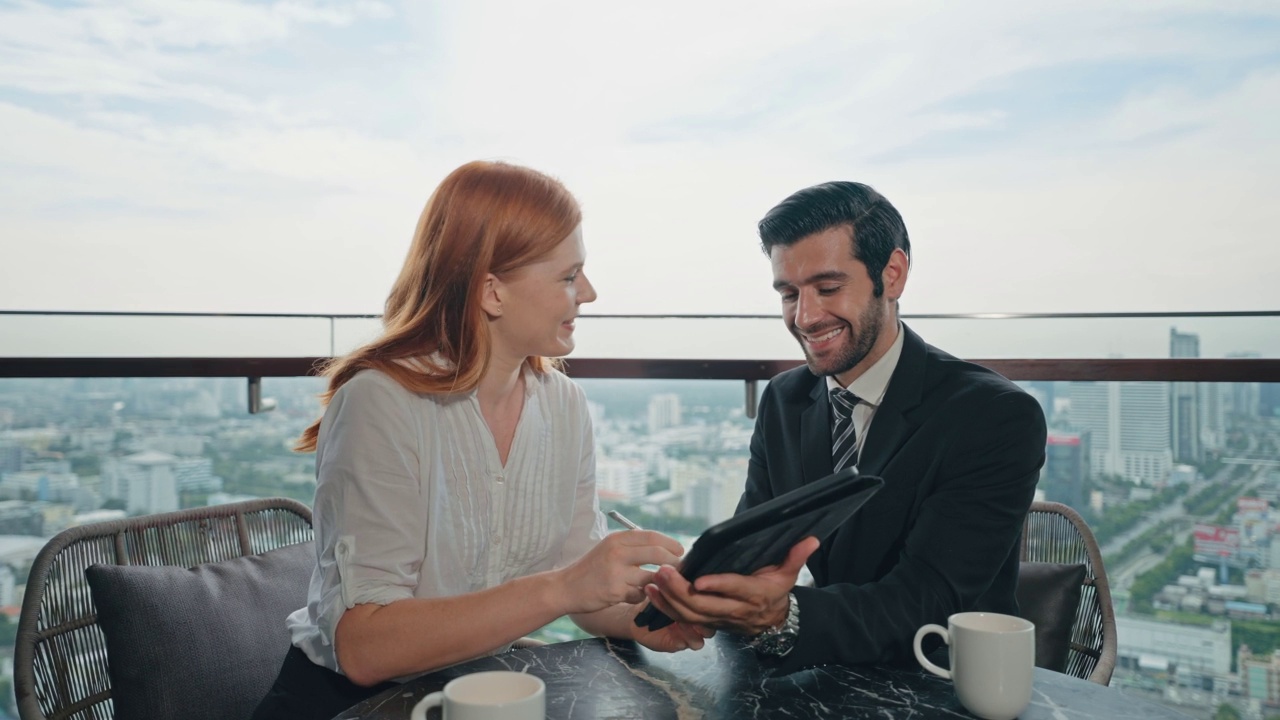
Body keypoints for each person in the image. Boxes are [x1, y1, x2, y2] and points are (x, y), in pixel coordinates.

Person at [252, 161, 709, 720]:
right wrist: (562, 588)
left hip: (484, 695)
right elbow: (364, 648)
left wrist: (653, 618)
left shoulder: (565, 406)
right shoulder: (382, 402)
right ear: (493, 291)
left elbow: (581, 583)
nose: (589, 292)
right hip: (349, 706)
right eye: (569, 276)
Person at [644, 180, 1046, 674]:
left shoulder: (993, 416)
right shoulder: (785, 399)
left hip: (941, 681)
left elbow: (931, 598)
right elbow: (752, 548)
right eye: (789, 293)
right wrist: (697, 591)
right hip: (824, 673)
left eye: (828, 288)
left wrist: (783, 615)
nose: (805, 316)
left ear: (892, 275)